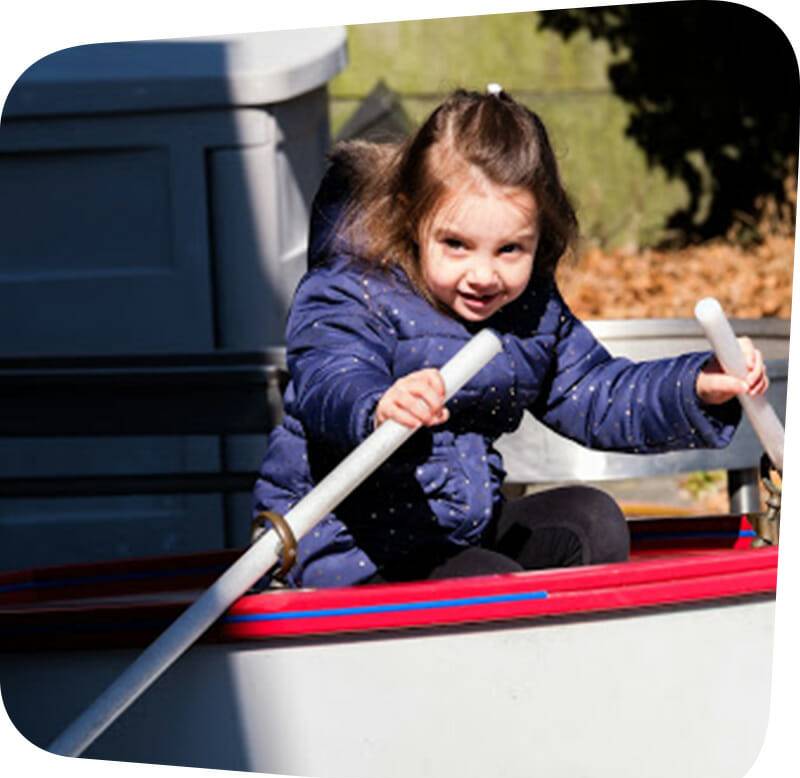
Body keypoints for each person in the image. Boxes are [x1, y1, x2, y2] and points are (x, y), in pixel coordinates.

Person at [253, 86, 768, 589]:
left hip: (455, 533)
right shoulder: (354, 287)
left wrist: (695, 385)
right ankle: (510, 657)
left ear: (541, 235)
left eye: (510, 250)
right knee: (487, 584)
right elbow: (329, 375)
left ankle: (574, 655)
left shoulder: (527, 312)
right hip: (346, 551)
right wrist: (378, 405)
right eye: (456, 245)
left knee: (592, 520)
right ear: (413, 217)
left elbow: (596, 394)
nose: (483, 274)